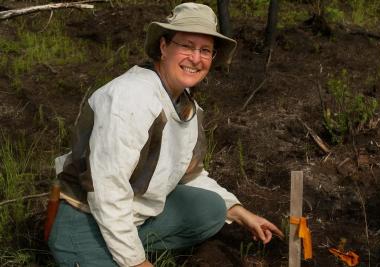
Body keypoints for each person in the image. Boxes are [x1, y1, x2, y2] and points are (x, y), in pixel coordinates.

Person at [48, 2, 284, 267]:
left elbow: (189, 174)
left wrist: (240, 212)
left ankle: (127, 243)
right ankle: (96, 251)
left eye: (205, 50)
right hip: (87, 219)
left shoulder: (186, 106)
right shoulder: (130, 98)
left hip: (135, 214)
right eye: (186, 45)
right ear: (163, 47)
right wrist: (137, 263)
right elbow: (107, 190)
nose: (196, 58)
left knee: (212, 209)